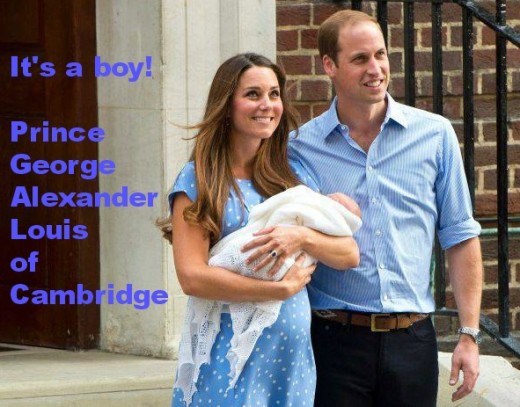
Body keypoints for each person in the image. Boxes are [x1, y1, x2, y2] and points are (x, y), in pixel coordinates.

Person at [287, 9, 483, 407]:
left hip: (413, 341)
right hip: (331, 343)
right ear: (330, 65)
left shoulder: (434, 135)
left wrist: (469, 334)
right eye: (359, 59)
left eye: (380, 55)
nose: (375, 68)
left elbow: (461, 237)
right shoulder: (299, 148)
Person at [164, 53, 360, 406]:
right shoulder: (199, 180)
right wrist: (278, 290)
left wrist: (301, 237)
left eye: (273, 94)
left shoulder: (293, 176)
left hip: (290, 359)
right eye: (252, 94)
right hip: (228, 356)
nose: (267, 105)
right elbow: (191, 276)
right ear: (226, 105)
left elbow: (348, 253)